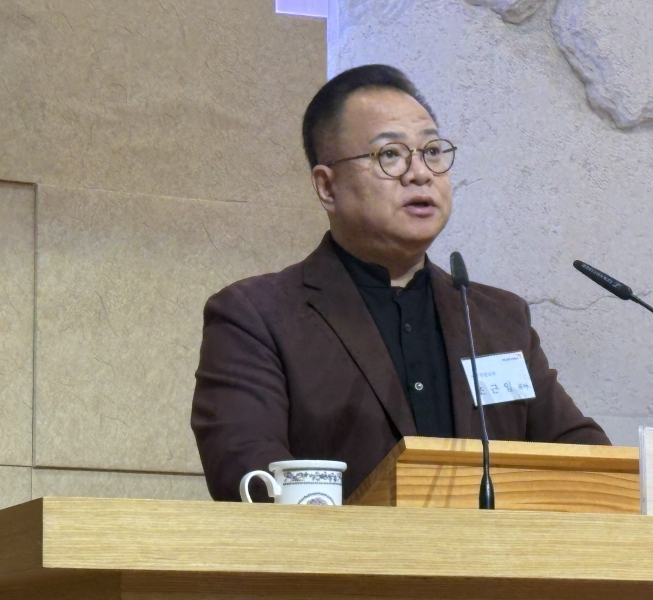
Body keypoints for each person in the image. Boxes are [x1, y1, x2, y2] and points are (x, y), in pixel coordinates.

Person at [191, 64, 610, 502]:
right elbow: (248, 473)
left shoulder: (497, 319)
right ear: (328, 187)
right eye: (390, 154)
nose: (420, 173)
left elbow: (584, 457)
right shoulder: (257, 316)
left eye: (432, 151)